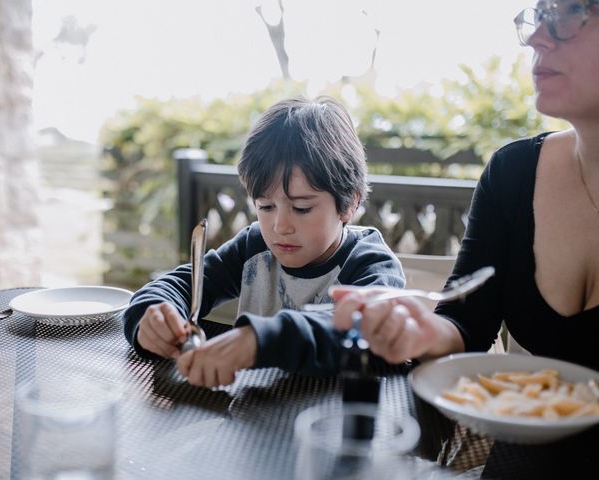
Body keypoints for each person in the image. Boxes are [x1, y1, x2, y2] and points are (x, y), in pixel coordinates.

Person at [332, 1, 599, 372]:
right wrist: (422, 331)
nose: (537, 38)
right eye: (539, 16)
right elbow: (467, 323)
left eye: (570, 12)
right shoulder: (514, 172)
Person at [123, 96, 404, 387]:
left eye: (302, 208)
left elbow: (365, 331)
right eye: (266, 207)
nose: (280, 227)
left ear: (348, 205)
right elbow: (179, 285)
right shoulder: (254, 248)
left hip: (335, 421)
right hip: (252, 424)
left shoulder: (370, 263)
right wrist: (152, 317)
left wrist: (256, 341)